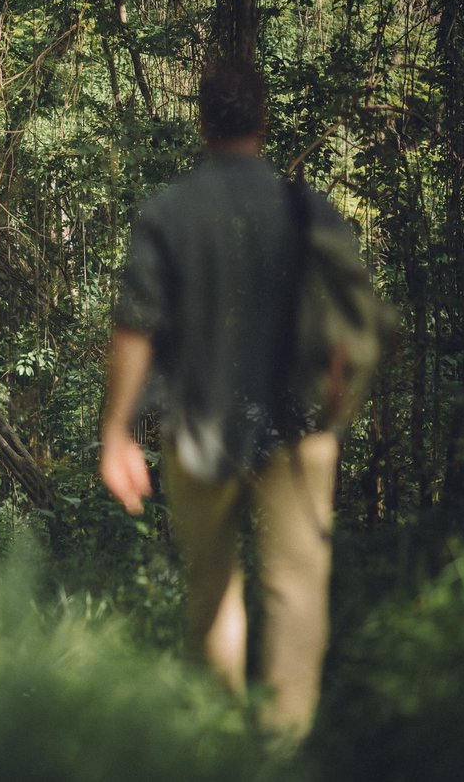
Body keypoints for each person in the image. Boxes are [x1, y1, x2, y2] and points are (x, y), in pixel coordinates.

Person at [99, 60, 356, 744]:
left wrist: (117, 434)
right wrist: (337, 399)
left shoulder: (169, 211)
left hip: (198, 429)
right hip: (300, 428)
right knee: (295, 588)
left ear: (203, 120)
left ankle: (217, 741)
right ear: (263, 120)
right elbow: (348, 323)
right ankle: (282, 745)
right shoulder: (310, 209)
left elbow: (134, 328)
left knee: (212, 586)